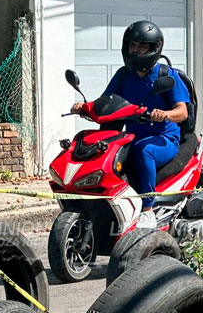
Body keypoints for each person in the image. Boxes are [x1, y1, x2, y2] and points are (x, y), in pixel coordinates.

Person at [70, 20, 190, 230]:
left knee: (144, 151)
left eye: (142, 46)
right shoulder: (124, 75)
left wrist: (165, 114)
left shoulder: (167, 75)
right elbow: (106, 101)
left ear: (154, 48)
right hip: (131, 137)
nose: (135, 50)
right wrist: (85, 107)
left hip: (164, 139)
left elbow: (182, 111)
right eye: (132, 45)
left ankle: (147, 210)